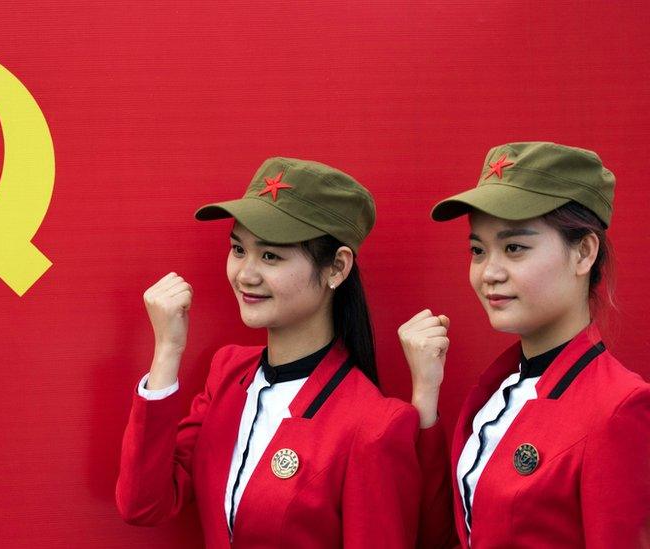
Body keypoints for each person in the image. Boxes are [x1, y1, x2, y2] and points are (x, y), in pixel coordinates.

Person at [116, 157, 422, 548]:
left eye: (271, 255)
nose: (245, 274)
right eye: (238, 249)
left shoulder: (375, 425)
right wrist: (167, 351)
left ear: (337, 268)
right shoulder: (227, 373)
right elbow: (143, 504)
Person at [399, 142, 650, 548]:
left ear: (584, 252)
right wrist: (425, 399)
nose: (489, 273)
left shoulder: (619, 408)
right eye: (478, 250)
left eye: (514, 247)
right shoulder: (493, 396)